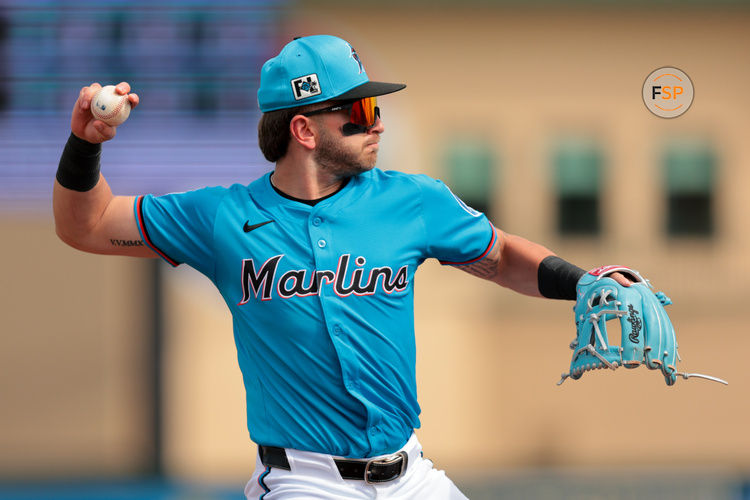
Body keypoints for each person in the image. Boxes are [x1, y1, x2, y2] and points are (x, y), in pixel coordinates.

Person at [54, 35, 632, 499]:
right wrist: (86, 144)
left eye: (376, 106)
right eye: (359, 109)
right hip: (303, 481)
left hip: (411, 476)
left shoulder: (410, 201)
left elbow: (501, 255)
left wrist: (583, 283)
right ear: (303, 130)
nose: (378, 122)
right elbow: (88, 223)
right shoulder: (222, 218)